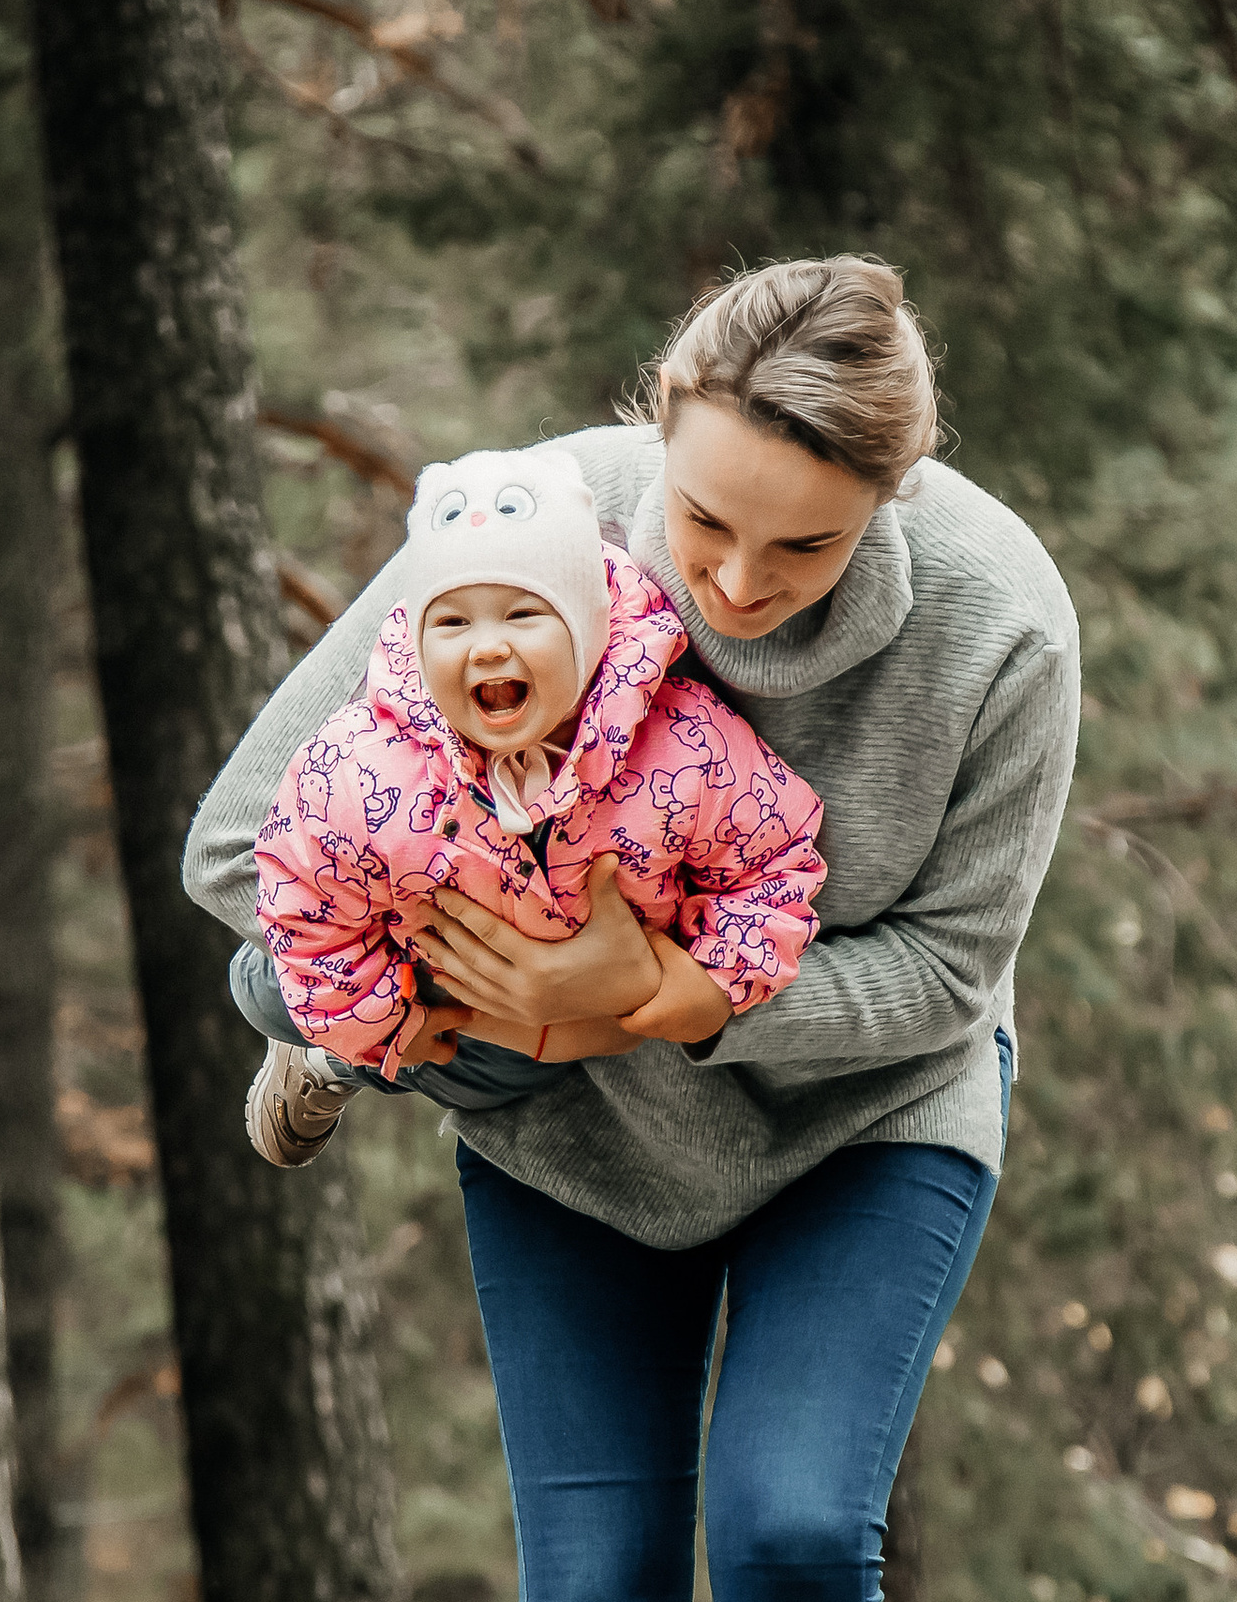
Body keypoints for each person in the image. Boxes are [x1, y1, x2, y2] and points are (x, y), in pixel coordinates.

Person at [186, 256, 1080, 1602]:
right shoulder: (523, 531)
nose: (740, 585)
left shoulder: (998, 627)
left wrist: (666, 998)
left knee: (789, 1535)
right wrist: (468, 1009)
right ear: (651, 433)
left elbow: (947, 975)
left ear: (895, 496)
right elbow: (242, 852)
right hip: (568, 1144)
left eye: (805, 547)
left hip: (864, 1123)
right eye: (704, 527)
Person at [238, 440, 827, 1160]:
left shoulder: (686, 748)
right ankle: (329, 1058)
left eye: (523, 615)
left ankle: (356, 1063)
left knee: (513, 1076)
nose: (487, 647)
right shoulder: (363, 768)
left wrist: (715, 982)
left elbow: (777, 859)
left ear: (587, 630)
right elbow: (301, 882)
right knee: (264, 989)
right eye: (452, 623)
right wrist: (376, 1024)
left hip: (578, 1011)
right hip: (429, 982)